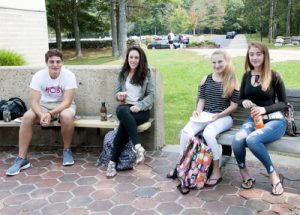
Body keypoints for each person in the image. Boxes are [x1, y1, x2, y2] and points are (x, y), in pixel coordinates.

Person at [167, 50, 240, 187]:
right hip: (205, 115)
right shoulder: (205, 79)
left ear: (226, 62)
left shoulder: (232, 80)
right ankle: (181, 166)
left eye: (220, 62)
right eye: (214, 62)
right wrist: (198, 111)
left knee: (208, 133)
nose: (217, 65)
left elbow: (234, 106)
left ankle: (216, 171)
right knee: (185, 132)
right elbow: (201, 100)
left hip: (224, 117)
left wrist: (219, 115)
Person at [6, 49, 77, 176]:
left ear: (62, 62)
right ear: (46, 63)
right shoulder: (39, 76)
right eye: (51, 62)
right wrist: (41, 115)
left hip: (63, 105)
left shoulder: (69, 75)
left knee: (66, 116)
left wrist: (50, 114)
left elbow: (67, 102)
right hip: (43, 105)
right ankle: (22, 159)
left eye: (58, 62)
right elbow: (33, 101)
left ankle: (67, 150)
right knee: (27, 117)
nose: (55, 65)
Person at [232, 42, 287, 196]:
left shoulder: (274, 76)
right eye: (251, 54)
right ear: (248, 57)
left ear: (265, 56)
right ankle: (245, 174)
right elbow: (241, 99)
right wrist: (244, 102)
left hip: (275, 121)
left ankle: (273, 175)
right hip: (255, 120)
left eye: (258, 54)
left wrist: (264, 109)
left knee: (252, 140)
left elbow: (283, 103)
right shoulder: (246, 75)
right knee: (237, 139)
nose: (254, 57)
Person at [106, 46, 155, 178]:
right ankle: (138, 147)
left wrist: (139, 105)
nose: (133, 60)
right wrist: (119, 95)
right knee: (121, 109)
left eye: (136, 57)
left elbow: (151, 95)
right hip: (125, 108)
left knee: (123, 126)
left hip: (141, 111)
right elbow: (116, 93)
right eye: (131, 57)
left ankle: (112, 162)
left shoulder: (147, 73)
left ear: (141, 59)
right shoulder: (123, 73)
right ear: (127, 58)